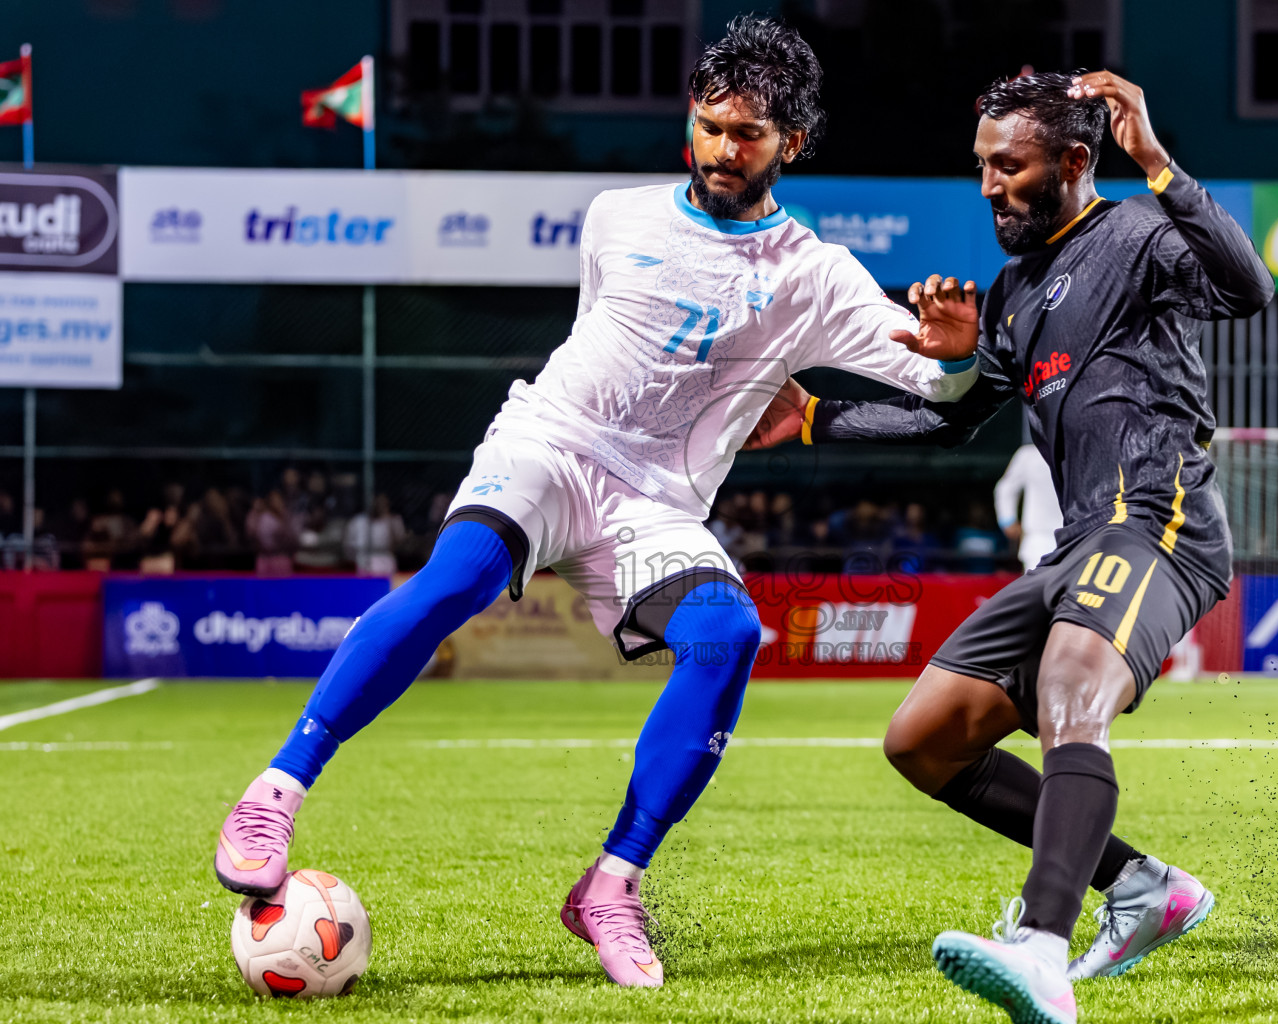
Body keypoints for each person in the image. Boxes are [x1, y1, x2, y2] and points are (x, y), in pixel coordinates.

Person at [211, 16, 979, 990]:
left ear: (795, 142)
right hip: (552, 444)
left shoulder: (817, 278)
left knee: (729, 635)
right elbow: (604, 335)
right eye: (710, 126)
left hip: (656, 505)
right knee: (456, 580)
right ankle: (277, 789)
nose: (723, 150)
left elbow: (940, 393)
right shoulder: (619, 214)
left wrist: (950, 354)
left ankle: (611, 884)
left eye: (748, 134)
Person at [749, 69, 1272, 1023]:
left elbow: (1249, 287)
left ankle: (1041, 948)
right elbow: (950, 421)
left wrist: (1154, 160)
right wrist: (821, 415)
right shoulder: (1016, 287)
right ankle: (1147, 886)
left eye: (1009, 165)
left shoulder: (1141, 235)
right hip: (1077, 545)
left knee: (1075, 691)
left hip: (1160, 521)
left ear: (1076, 162)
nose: (989, 184)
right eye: (981, 166)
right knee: (922, 740)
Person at [995, 426, 1064, 571]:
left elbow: (1005, 488)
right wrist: (1007, 520)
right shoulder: (1028, 454)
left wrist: (1007, 520)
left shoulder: (1078, 452)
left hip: (1073, 535)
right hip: (1038, 537)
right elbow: (1005, 488)